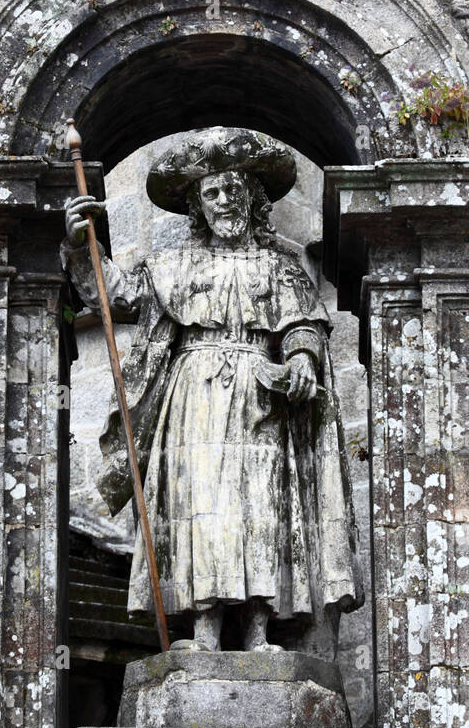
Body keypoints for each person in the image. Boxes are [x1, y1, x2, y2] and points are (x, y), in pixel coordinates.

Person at [62, 127, 362, 655]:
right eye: (212, 193)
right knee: (199, 506)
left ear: (252, 197)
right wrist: (82, 241)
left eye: (233, 190)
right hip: (193, 397)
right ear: (199, 207)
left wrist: (301, 358)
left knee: (260, 507)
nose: (224, 201)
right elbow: (113, 293)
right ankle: (202, 630)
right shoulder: (175, 265)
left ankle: (258, 631)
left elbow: (302, 324)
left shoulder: (280, 267)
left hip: (259, 397)